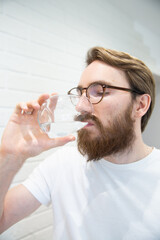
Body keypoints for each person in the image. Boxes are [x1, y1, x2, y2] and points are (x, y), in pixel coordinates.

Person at [0, 46, 159, 240]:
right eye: (80, 93)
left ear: (140, 105)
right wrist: (9, 157)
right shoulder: (63, 163)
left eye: (99, 91)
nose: (80, 106)